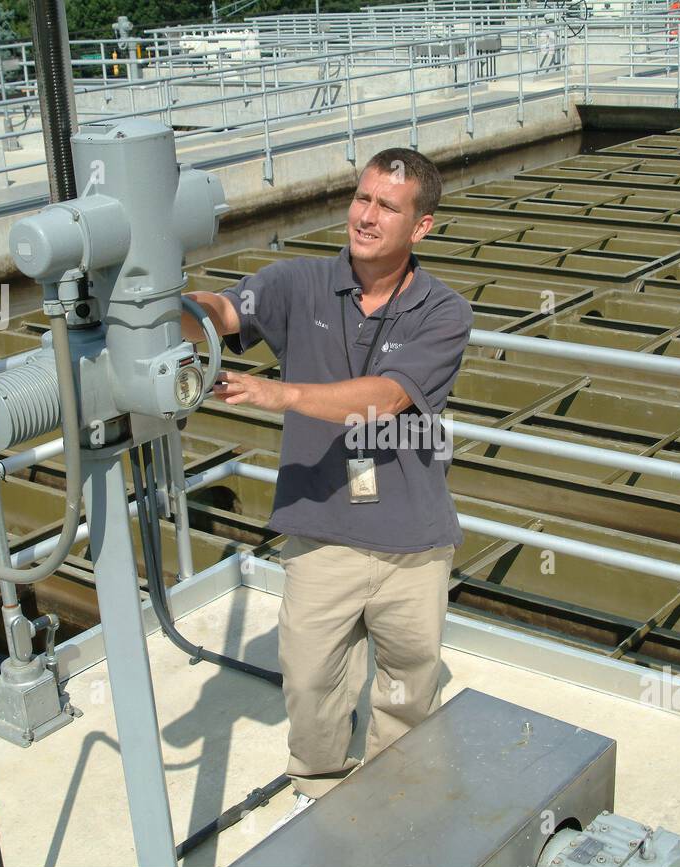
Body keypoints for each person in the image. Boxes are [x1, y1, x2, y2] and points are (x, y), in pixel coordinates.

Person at [183, 147, 474, 828]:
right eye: (362, 198)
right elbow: (224, 312)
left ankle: (395, 802)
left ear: (421, 227)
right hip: (321, 530)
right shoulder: (297, 284)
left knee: (406, 686)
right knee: (311, 683)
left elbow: (382, 397)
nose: (366, 216)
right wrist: (168, 303)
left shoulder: (444, 312)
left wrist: (275, 392)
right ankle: (316, 786)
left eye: (387, 206)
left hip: (413, 537)